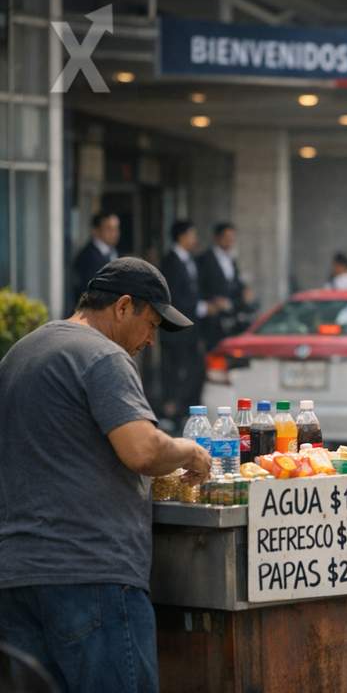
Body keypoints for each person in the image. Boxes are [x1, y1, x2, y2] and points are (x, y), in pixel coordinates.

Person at [0, 257, 212, 692]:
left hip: (15, 581)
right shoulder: (102, 356)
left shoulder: (21, 353)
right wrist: (189, 450)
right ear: (123, 307)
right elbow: (141, 449)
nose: (151, 340)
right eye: (151, 324)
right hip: (90, 576)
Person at [159, 221, 217, 423]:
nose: (195, 240)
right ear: (181, 237)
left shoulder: (190, 260)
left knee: (192, 369)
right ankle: (171, 412)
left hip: (190, 329)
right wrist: (201, 308)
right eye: (192, 235)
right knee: (176, 371)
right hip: (176, 329)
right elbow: (174, 298)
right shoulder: (171, 262)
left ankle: (184, 410)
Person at [198, 221, 255, 351]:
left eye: (232, 238)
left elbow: (235, 282)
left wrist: (245, 290)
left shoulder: (231, 259)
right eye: (227, 237)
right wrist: (211, 301)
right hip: (212, 318)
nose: (230, 241)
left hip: (231, 315)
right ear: (217, 238)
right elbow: (199, 286)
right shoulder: (204, 259)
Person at [71, 212, 120, 310]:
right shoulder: (88, 256)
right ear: (96, 231)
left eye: (116, 228)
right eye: (109, 229)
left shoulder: (112, 251)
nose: (114, 233)